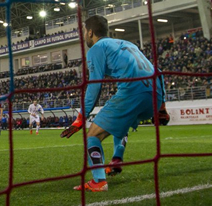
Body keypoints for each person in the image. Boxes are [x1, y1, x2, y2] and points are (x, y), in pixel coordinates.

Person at [60, 15, 167, 192]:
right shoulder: (128, 44)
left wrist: (81, 117)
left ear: (90, 32)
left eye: (85, 32)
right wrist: (162, 107)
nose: (85, 36)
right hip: (154, 95)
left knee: (92, 136)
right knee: (120, 121)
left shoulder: (96, 48)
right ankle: (117, 158)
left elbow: (94, 86)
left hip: (133, 92)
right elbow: (159, 72)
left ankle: (99, 181)